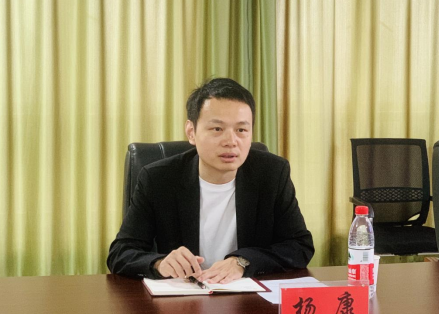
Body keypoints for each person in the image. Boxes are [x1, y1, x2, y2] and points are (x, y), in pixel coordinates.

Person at [107, 78, 314, 284]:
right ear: (191, 132)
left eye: (241, 130)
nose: (231, 141)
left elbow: (299, 246)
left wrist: (242, 261)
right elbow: (121, 253)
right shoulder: (158, 179)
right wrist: (159, 263)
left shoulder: (272, 173)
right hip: (183, 297)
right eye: (217, 129)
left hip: (248, 297)